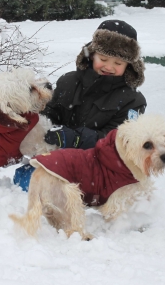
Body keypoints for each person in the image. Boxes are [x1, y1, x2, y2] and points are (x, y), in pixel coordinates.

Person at [13, 19, 146, 191]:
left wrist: (76, 138)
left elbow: (118, 142)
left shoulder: (133, 101)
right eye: (103, 59)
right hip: (56, 156)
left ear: (129, 66)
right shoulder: (68, 81)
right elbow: (49, 113)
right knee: (26, 181)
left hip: (98, 167)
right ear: (91, 55)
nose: (109, 67)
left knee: (59, 190)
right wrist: (38, 124)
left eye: (118, 63)